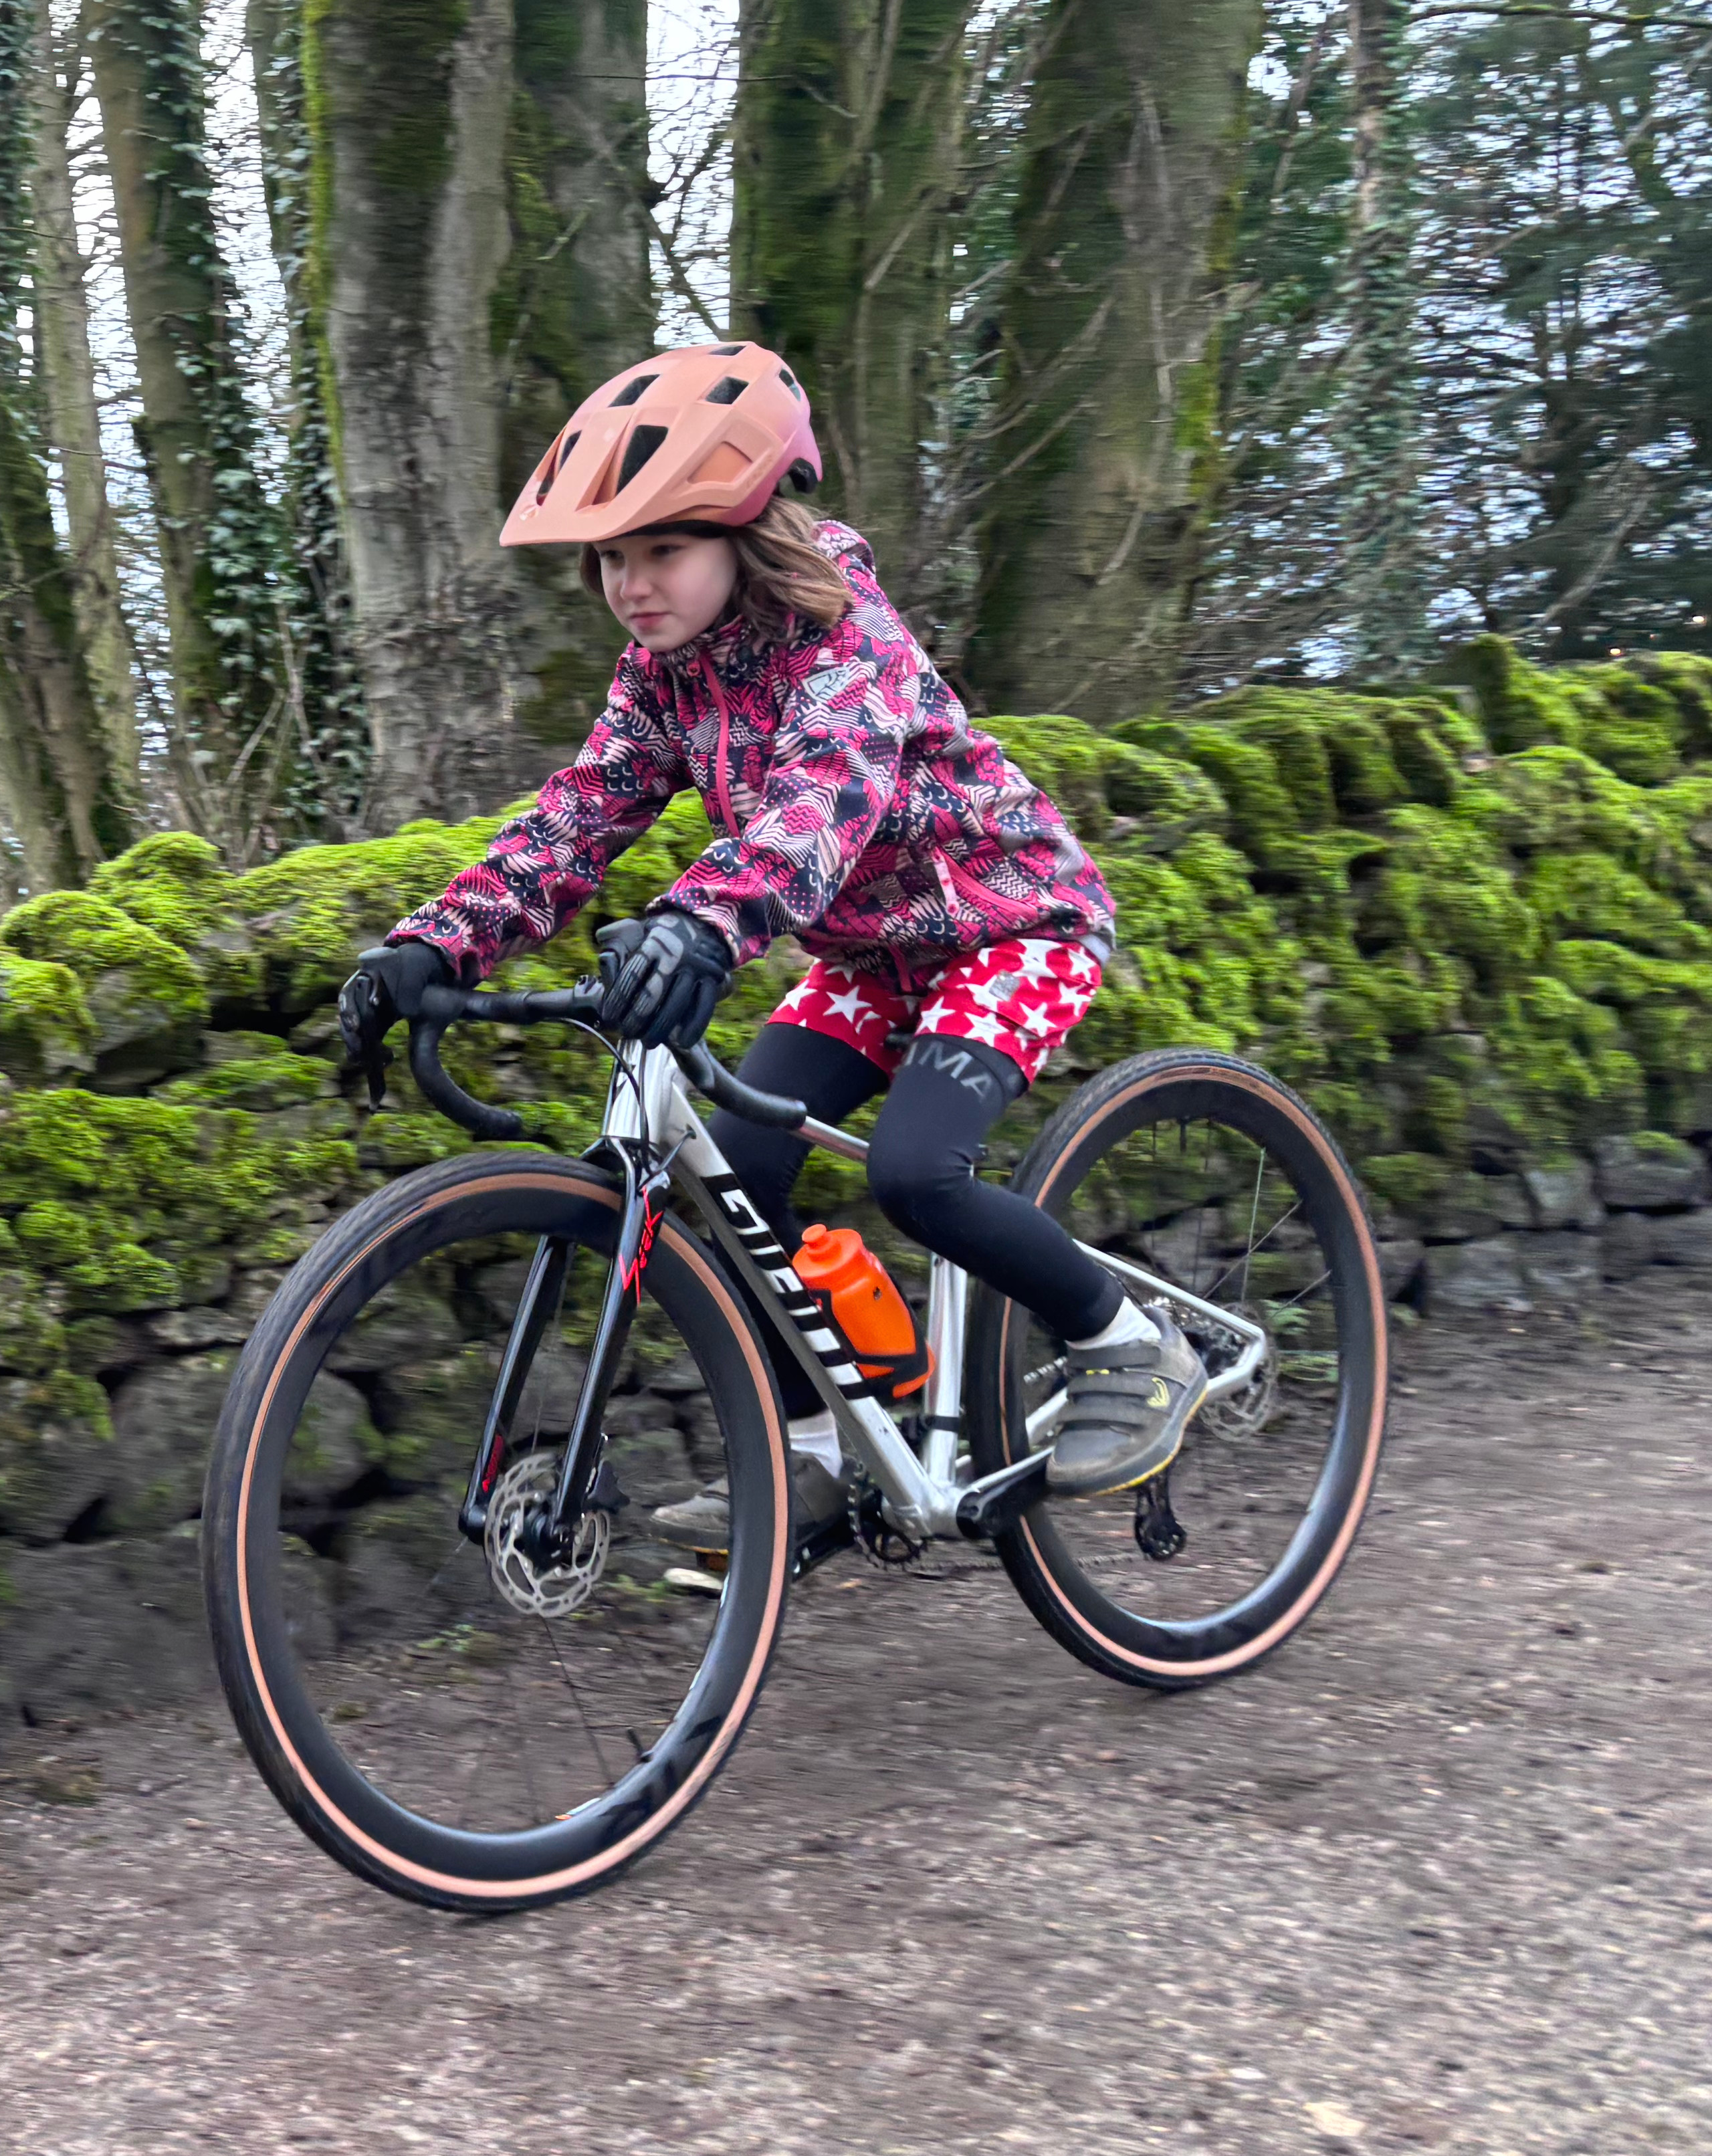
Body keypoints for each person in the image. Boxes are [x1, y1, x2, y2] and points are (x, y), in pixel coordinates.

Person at [337, 340, 1204, 1539]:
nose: (632, 584)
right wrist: (435, 947)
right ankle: (816, 1452)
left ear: (746, 533)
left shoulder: (850, 639)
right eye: (610, 558)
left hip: (1013, 934)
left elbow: (819, 807)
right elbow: (580, 815)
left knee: (915, 1176)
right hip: (867, 965)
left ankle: (1126, 1342)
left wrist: (700, 926)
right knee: (738, 1177)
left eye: (663, 549)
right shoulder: (664, 676)